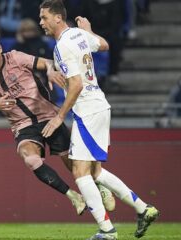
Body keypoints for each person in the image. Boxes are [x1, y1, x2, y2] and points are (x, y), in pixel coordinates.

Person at [38, 1, 159, 239]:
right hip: (100, 106)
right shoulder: (78, 35)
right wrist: (90, 29)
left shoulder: (62, 46)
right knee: (94, 172)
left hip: (87, 110)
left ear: (58, 18)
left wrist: (59, 117)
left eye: (44, 17)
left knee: (80, 173)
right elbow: (104, 44)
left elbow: (76, 84)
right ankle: (144, 209)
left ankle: (107, 231)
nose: (41, 22)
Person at [0, 29, 88, 216]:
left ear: (0, 49)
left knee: (76, 168)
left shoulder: (16, 58)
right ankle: (73, 196)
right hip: (23, 126)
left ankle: (100, 187)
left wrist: (51, 71)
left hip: (49, 117)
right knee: (31, 160)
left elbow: (48, 63)